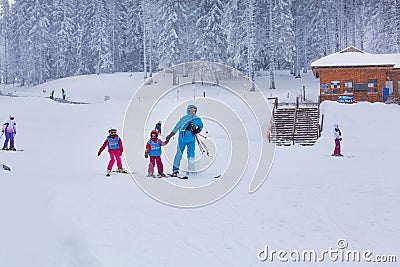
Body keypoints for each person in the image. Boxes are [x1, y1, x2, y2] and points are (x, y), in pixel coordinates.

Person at [165, 104, 203, 176]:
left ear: (195, 111)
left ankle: (191, 169)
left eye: (194, 111)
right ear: (188, 111)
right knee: (179, 154)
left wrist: (198, 130)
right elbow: (177, 126)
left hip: (191, 139)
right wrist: (171, 134)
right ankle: (175, 170)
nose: (192, 112)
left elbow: (201, 125)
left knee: (191, 154)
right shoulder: (184, 118)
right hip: (182, 139)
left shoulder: (197, 119)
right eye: (191, 111)